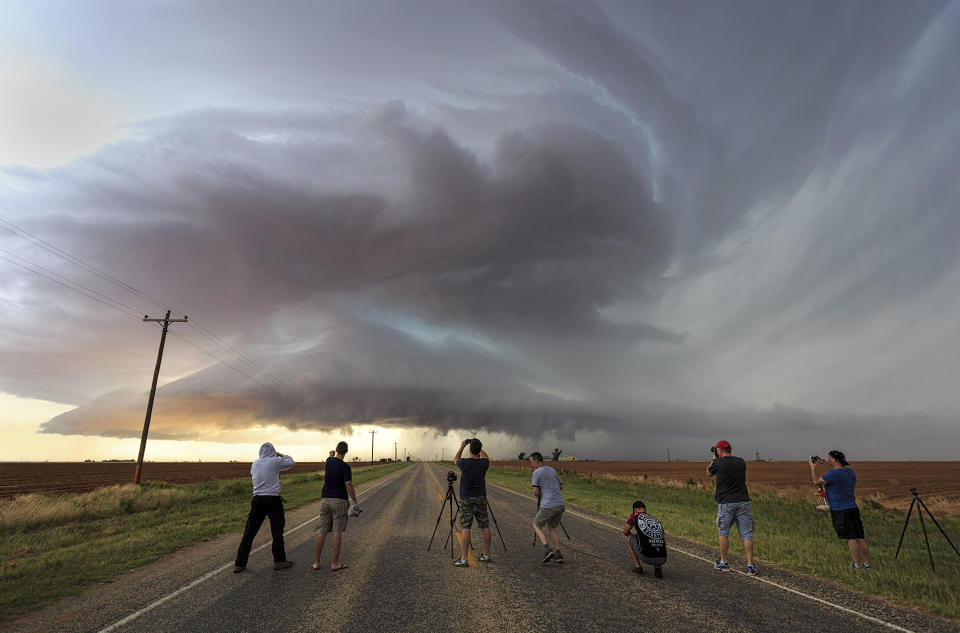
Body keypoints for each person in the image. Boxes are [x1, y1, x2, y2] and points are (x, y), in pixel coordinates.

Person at [233, 442, 296, 572]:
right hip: (273, 500)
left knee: (249, 532)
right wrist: (280, 454)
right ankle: (279, 561)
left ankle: (240, 563)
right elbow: (291, 462)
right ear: (273, 452)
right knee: (277, 531)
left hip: (257, 500)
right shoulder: (274, 462)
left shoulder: (254, 464)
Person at [810, 450, 872, 569]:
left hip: (840, 510)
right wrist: (824, 462)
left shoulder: (833, 474)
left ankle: (857, 565)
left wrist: (812, 467)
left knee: (850, 538)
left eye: (829, 458)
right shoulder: (850, 472)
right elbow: (837, 470)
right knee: (860, 537)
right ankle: (868, 564)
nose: (828, 460)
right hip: (853, 508)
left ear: (833, 459)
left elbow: (816, 481)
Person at [707, 440, 757, 575]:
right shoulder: (741, 462)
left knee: (723, 531)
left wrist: (714, 457)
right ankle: (750, 565)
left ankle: (724, 561)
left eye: (717, 449)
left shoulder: (718, 462)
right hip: (743, 501)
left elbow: (709, 473)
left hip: (726, 502)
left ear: (720, 450)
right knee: (747, 533)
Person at [313, 441, 361, 571]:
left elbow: (329, 456)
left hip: (325, 500)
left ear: (336, 449)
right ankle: (335, 563)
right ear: (346, 452)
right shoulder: (346, 467)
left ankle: (316, 563)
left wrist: (331, 454)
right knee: (336, 532)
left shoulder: (329, 462)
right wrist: (355, 501)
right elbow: (348, 484)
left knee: (322, 531)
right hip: (339, 501)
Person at [452, 438, 492, 567]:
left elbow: (455, 458)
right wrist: (477, 446)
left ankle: (464, 559)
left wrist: (462, 446)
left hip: (466, 499)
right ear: (479, 450)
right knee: (485, 526)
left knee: (466, 527)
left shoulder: (464, 463)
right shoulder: (484, 463)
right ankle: (486, 555)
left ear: (470, 450)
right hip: (481, 497)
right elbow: (486, 457)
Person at [529, 451, 565, 563]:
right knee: (551, 527)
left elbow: (536, 492)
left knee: (536, 525)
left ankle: (547, 549)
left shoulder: (536, 472)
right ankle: (558, 553)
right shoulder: (552, 470)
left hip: (548, 504)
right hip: (560, 503)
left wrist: (542, 493)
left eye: (531, 462)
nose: (531, 465)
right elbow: (561, 486)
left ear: (536, 461)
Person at [623, 500, 667, 577]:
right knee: (655, 539)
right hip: (662, 558)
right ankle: (657, 566)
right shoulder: (654, 519)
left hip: (647, 557)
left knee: (629, 538)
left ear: (635, 510)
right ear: (645, 509)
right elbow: (664, 539)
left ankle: (638, 567)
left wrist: (633, 535)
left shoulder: (635, 516)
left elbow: (625, 532)